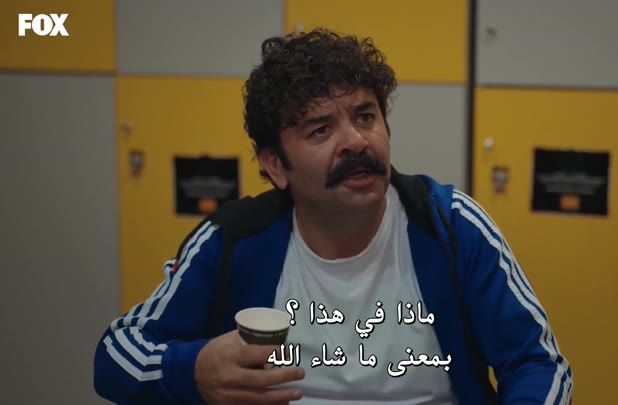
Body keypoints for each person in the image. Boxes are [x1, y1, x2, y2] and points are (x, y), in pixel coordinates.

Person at [93, 28, 573, 404]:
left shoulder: (451, 226)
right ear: (275, 165)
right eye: (320, 129)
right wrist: (192, 370)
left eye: (365, 117)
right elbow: (115, 355)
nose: (356, 141)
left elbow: (539, 366)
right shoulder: (232, 242)